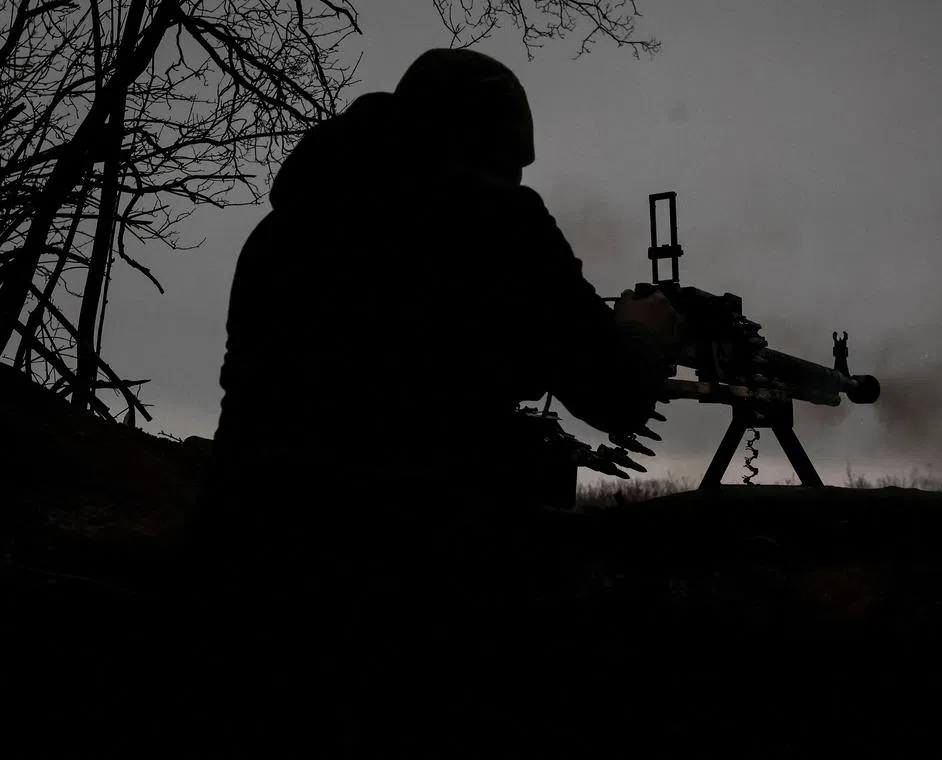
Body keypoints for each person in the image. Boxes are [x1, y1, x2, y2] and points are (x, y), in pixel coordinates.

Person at [179, 48, 682, 755]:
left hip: (242, 563)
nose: (516, 177)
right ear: (484, 141)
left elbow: (394, 365)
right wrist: (644, 334)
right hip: (415, 587)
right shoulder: (497, 219)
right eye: (512, 159)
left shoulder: (286, 228)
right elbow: (614, 393)